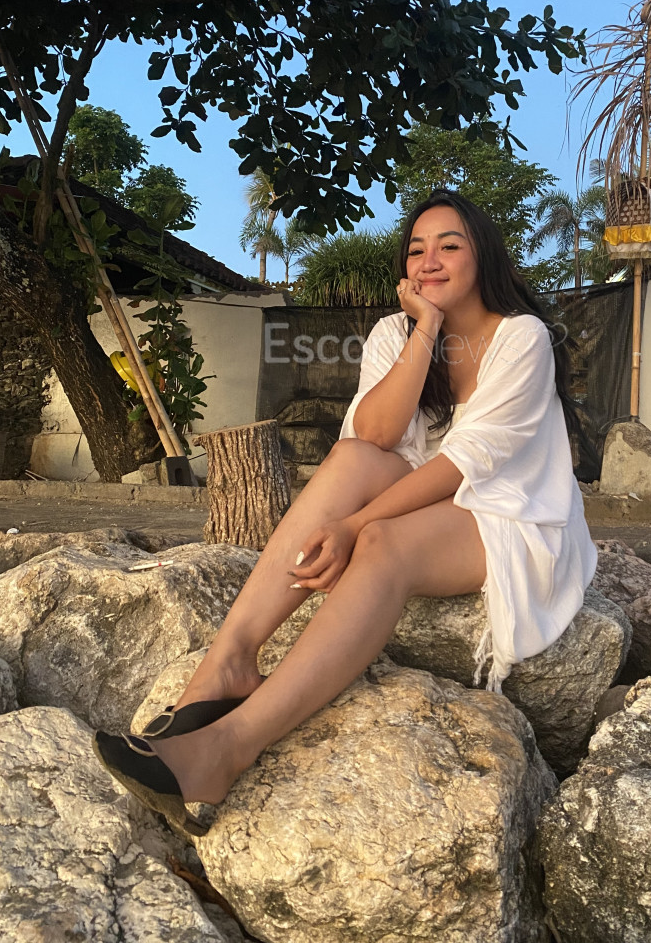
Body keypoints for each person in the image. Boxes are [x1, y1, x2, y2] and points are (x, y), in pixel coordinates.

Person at [93, 189, 598, 835]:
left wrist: (355, 527)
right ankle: (228, 662)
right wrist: (425, 330)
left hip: (511, 513)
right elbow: (376, 435)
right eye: (416, 250)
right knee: (352, 459)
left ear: (483, 257)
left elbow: (466, 464)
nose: (429, 261)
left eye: (449, 246)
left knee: (384, 544)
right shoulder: (396, 332)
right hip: (428, 493)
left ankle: (226, 748)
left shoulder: (521, 337)